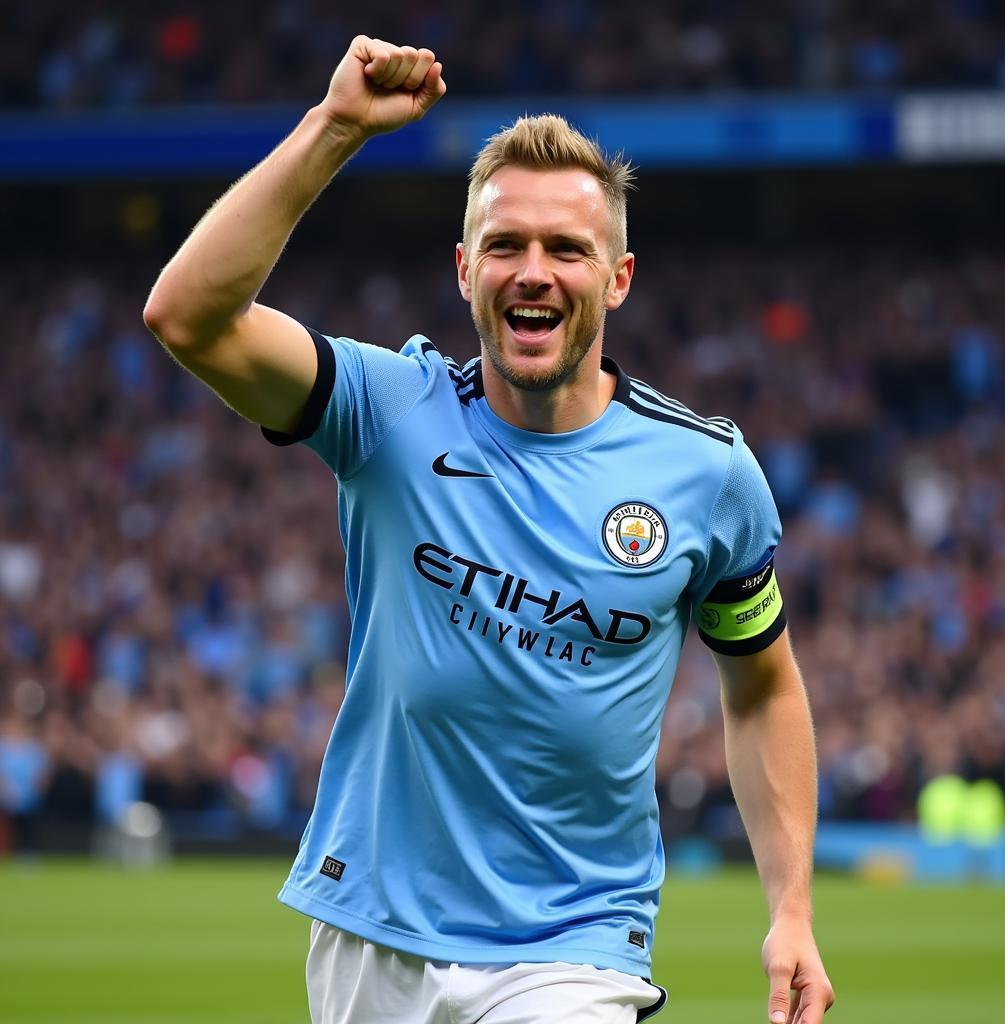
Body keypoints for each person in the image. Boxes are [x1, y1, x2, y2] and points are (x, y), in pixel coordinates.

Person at [144, 34, 834, 1024]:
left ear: (619, 277)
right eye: (506, 245)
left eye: (567, 248)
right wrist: (334, 129)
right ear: (466, 269)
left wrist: (793, 908)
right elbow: (188, 317)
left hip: (574, 945)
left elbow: (761, 681)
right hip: (371, 928)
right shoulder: (386, 409)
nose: (534, 271)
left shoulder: (707, 473)